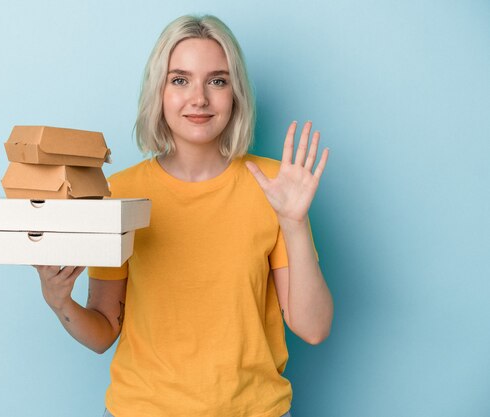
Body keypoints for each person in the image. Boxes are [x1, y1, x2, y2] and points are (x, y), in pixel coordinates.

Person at [35, 14, 333, 417]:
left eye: (217, 80)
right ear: (158, 92)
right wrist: (59, 302)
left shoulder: (274, 186)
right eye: (180, 80)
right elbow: (104, 331)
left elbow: (313, 329)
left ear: (236, 94)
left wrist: (294, 223)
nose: (199, 98)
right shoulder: (119, 193)